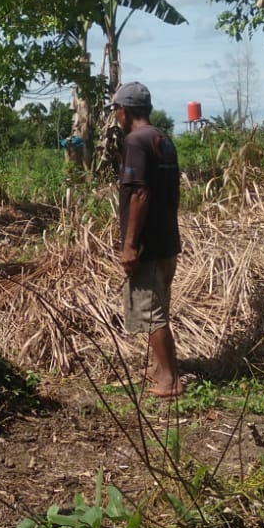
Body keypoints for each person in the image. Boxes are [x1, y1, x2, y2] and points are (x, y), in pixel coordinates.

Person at [110, 81, 185, 397]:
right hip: (167, 240)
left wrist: (129, 245)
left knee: (151, 313)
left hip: (148, 246)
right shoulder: (162, 139)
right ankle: (157, 368)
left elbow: (140, 192)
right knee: (160, 306)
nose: (116, 116)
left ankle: (170, 380)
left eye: (116, 110)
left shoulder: (135, 141)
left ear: (124, 111)